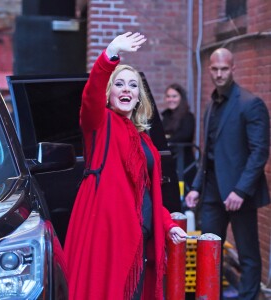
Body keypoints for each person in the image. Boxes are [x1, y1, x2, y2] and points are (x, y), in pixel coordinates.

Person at [64, 32, 187, 300]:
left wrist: (167, 224)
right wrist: (110, 55)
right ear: (109, 94)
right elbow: (90, 98)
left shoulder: (144, 139)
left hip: (136, 239)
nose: (127, 90)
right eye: (119, 84)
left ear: (139, 96)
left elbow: (146, 193)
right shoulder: (101, 122)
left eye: (133, 86)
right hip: (106, 235)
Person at [185, 48, 270, 299]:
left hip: (239, 194)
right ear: (210, 69)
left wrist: (241, 190)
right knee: (209, 250)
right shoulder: (211, 105)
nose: (219, 74)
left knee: (248, 254)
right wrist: (196, 187)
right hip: (212, 193)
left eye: (224, 69)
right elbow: (209, 154)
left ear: (233, 69)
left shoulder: (250, 103)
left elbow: (259, 152)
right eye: (215, 69)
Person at [161, 83, 197, 196]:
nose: (171, 99)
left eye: (174, 96)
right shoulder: (166, 117)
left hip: (184, 164)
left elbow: (184, 135)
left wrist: (168, 140)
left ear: (181, 98)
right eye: (168, 96)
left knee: (183, 196)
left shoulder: (188, 117)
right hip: (169, 163)